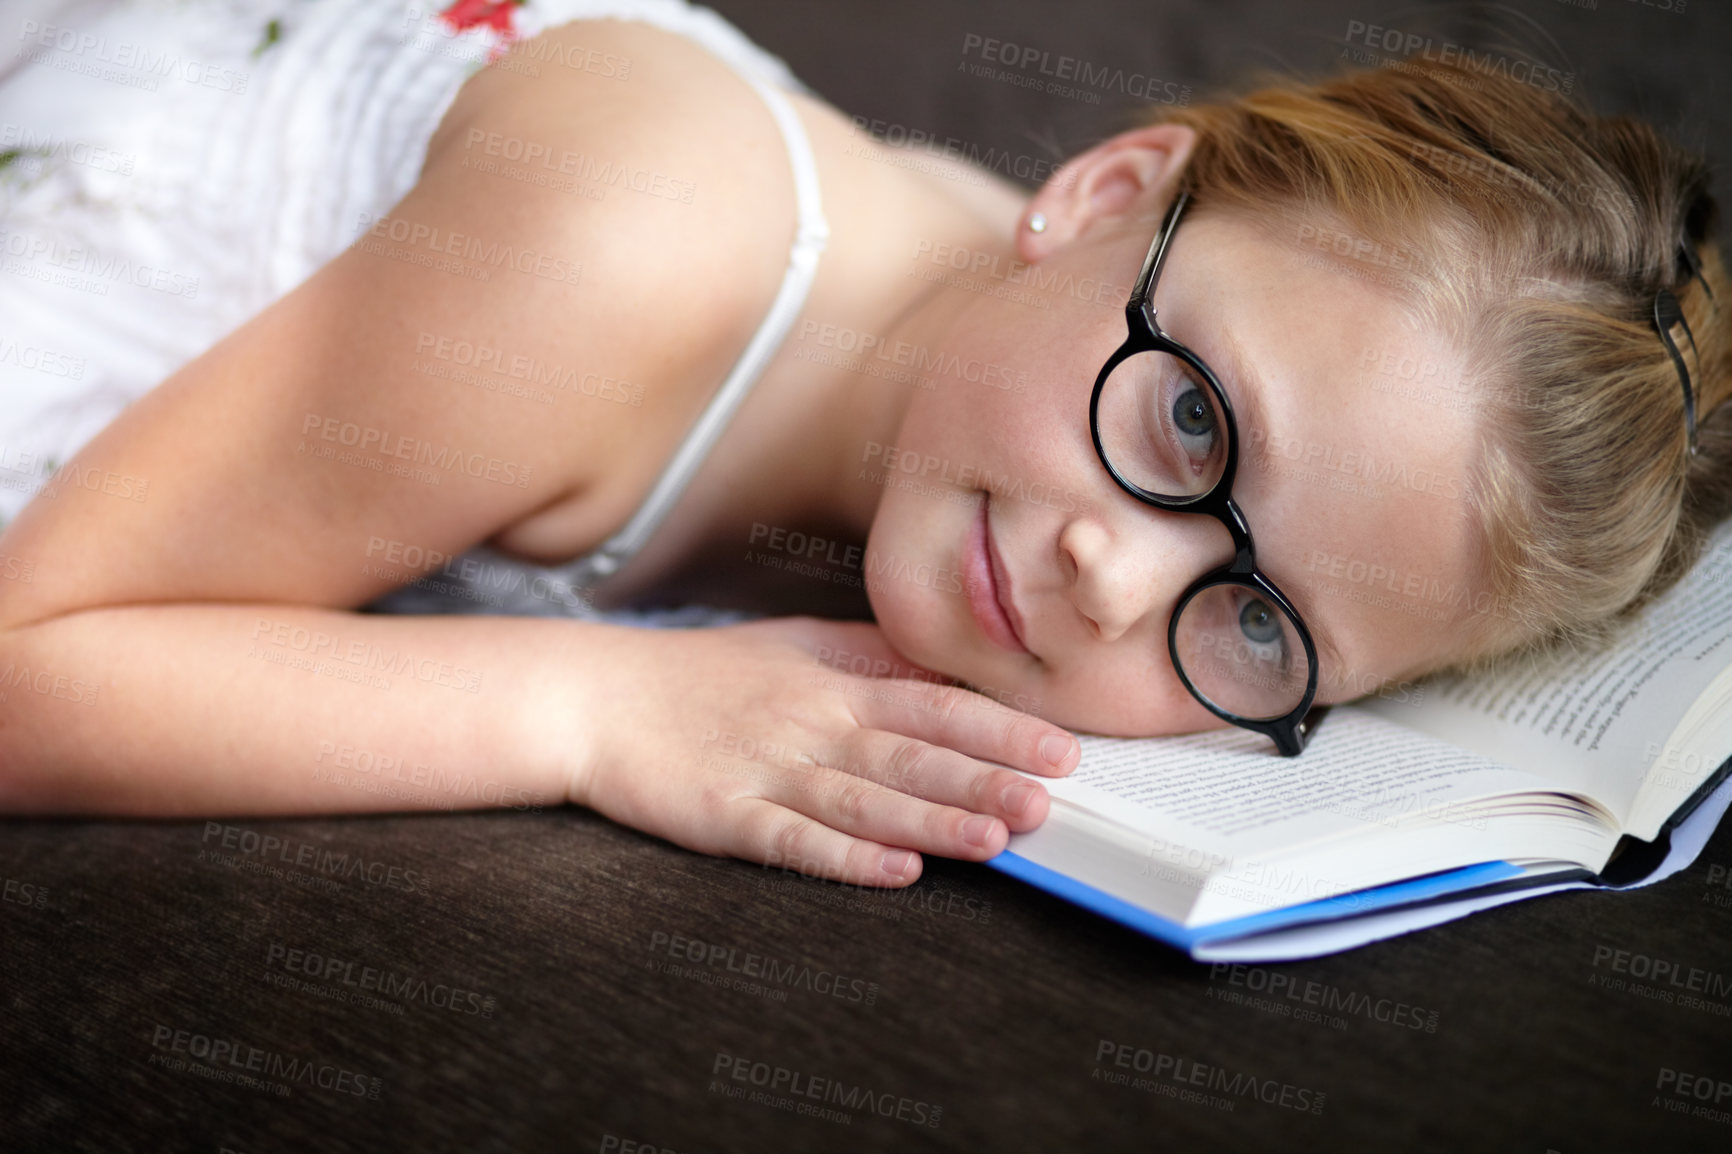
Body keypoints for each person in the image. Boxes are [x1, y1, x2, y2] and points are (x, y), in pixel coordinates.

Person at [0, 0, 1725, 888]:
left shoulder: (1017, 324)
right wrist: (596, 709)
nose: (1111, 575)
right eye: (1194, 419)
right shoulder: (622, 246)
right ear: (1105, 193)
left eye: (1263, 620)